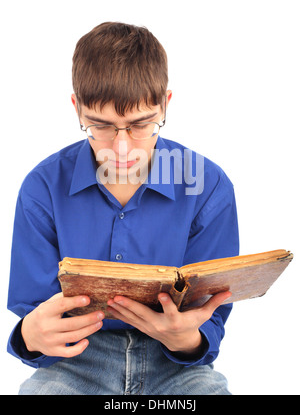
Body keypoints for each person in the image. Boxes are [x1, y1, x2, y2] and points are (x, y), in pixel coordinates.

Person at [7, 22, 239, 395]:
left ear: (165, 104)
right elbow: (33, 315)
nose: (121, 148)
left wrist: (187, 339)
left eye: (140, 125)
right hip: (76, 363)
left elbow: (207, 325)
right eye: (100, 126)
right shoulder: (43, 187)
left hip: (173, 367)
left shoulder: (207, 185)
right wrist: (28, 336)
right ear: (78, 109)